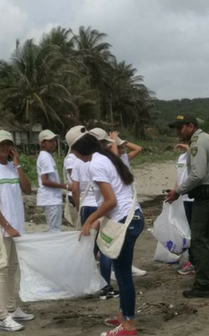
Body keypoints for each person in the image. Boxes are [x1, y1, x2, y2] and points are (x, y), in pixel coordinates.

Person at [75, 134, 144, 336]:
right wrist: (98, 220)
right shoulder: (105, 157)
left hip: (125, 221)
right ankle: (123, 316)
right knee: (120, 271)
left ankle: (128, 326)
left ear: (78, 150)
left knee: (123, 275)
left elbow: (110, 201)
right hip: (130, 218)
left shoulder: (95, 164)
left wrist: (89, 219)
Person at [165, 115, 209, 298]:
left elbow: (197, 175)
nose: (178, 132)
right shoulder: (208, 138)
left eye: (180, 128)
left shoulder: (197, 143)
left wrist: (178, 191)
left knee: (200, 239)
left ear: (191, 126)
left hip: (208, 195)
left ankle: (202, 285)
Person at [0, 130, 34, 331]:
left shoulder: (12, 167)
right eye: (0, 144)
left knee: (12, 270)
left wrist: (18, 164)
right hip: (0, 229)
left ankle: (12, 308)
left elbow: (28, 189)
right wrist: (7, 226)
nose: (5, 147)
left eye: (8, 143)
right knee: (1, 271)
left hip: (16, 229)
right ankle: (2, 316)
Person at [65, 126, 120, 300]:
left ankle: (89, 282)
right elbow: (111, 196)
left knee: (89, 248)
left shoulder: (77, 161)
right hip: (99, 207)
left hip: (85, 206)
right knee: (104, 248)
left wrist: (79, 207)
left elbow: (75, 188)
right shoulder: (101, 160)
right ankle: (105, 286)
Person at [88, 128, 148, 278]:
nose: (120, 149)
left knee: (109, 251)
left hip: (121, 216)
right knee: (108, 251)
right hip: (125, 214)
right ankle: (108, 278)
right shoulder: (109, 161)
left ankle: (107, 281)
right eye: (118, 146)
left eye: (122, 147)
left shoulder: (106, 162)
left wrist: (90, 221)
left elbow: (111, 201)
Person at [36, 130, 69, 233]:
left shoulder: (47, 156)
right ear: (43, 143)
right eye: (50, 141)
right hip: (50, 199)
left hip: (51, 198)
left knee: (54, 228)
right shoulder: (45, 157)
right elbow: (45, 181)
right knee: (55, 230)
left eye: (54, 141)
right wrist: (66, 186)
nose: (53, 143)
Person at [173, 141, 195, 275]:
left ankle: (194, 261)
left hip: (194, 198)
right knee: (186, 230)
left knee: (195, 231)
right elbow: (179, 177)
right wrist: (174, 192)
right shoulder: (181, 158)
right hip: (183, 198)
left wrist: (188, 148)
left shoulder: (194, 155)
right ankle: (190, 259)